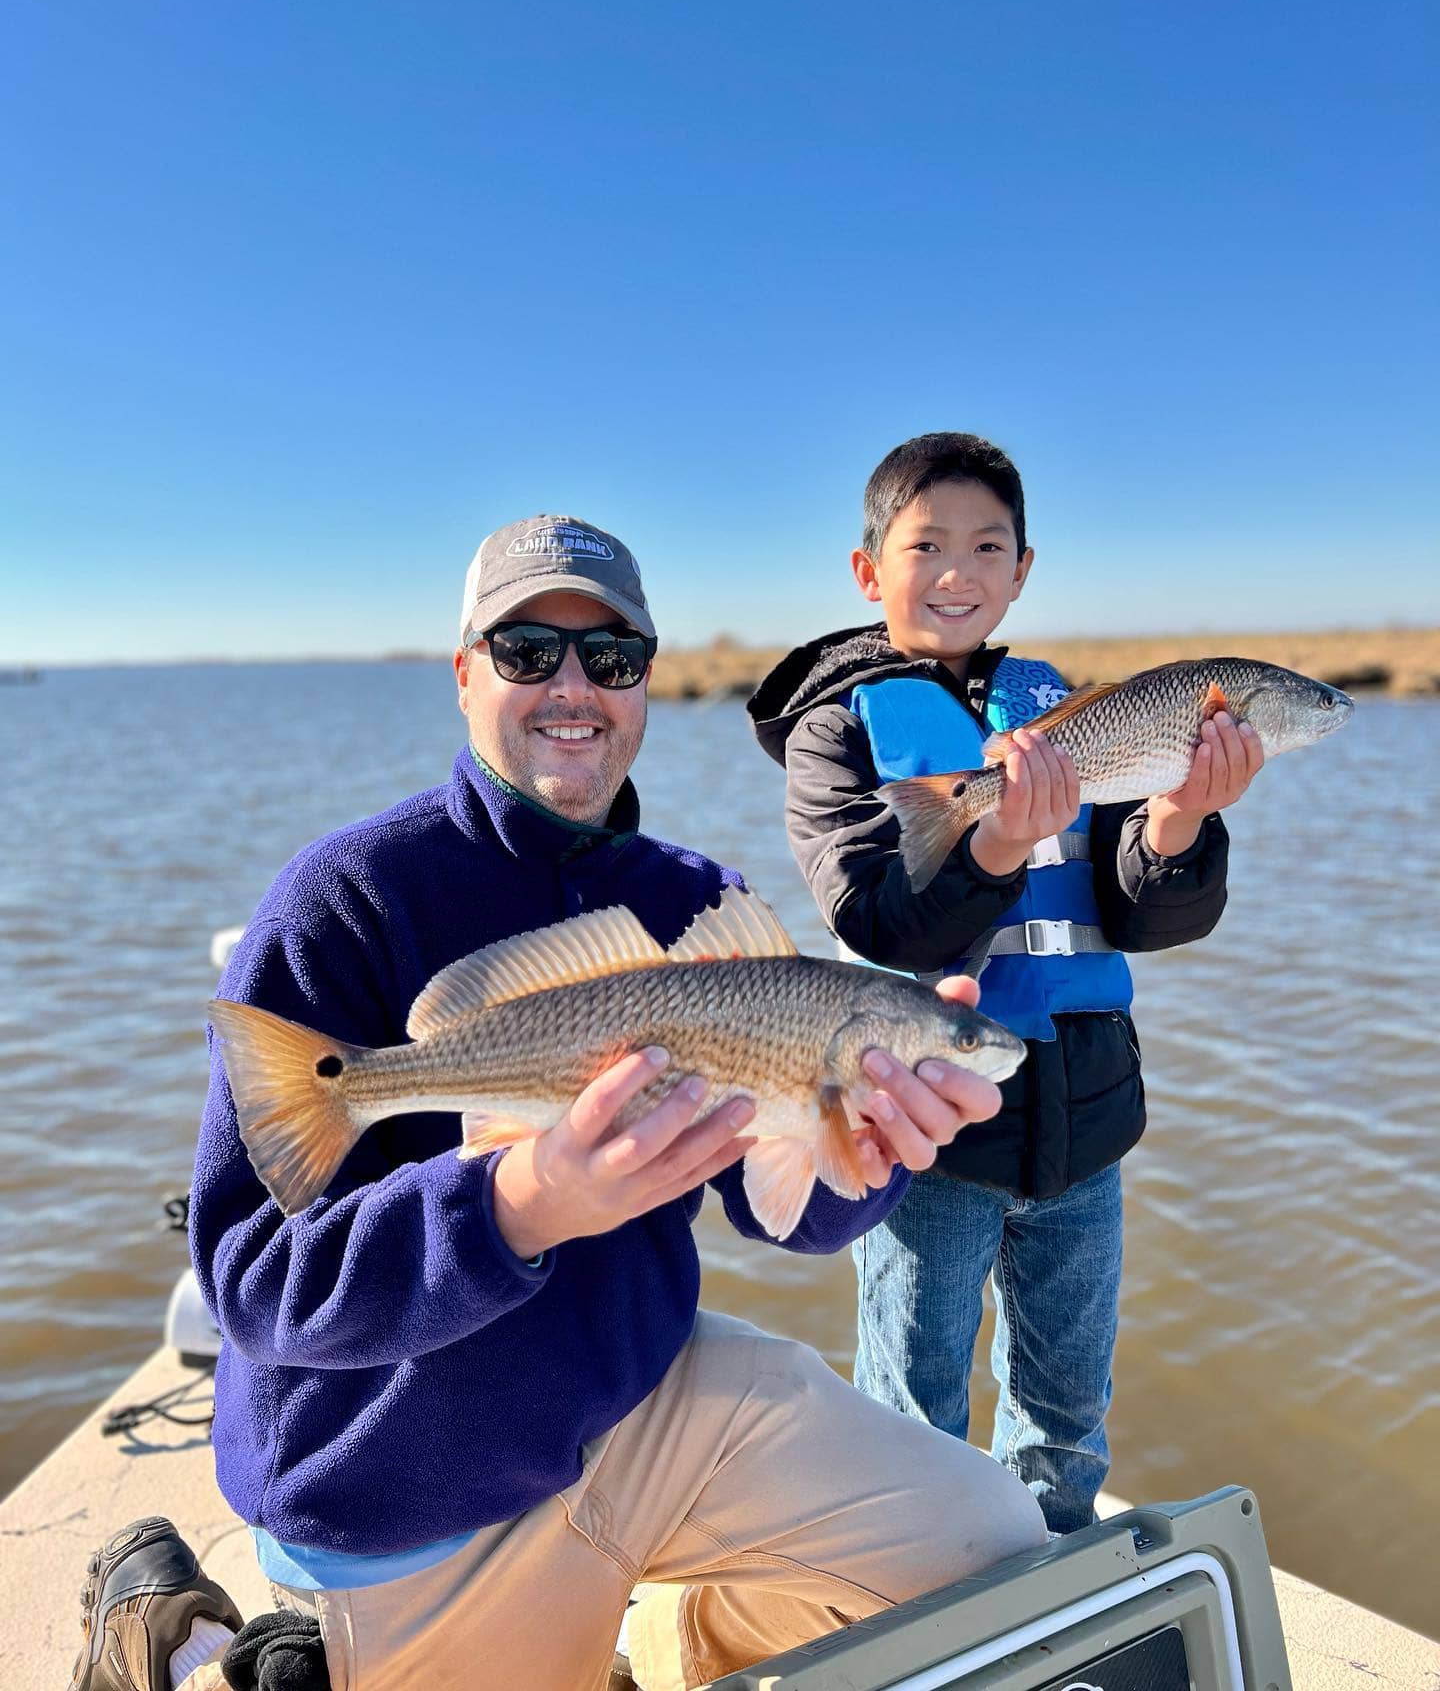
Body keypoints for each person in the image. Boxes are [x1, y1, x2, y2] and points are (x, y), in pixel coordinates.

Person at [70, 513, 1047, 1691]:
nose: (573, 686)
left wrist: (871, 1148)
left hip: (638, 1402)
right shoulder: (342, 898)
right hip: (407, 1480)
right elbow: (255, 1286)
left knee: (991, 1543)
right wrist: (518, 1206)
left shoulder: (697, 899)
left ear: (645, 681)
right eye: (529, 650)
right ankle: (176, 1640)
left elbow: (783, 1212)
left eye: (613, 657)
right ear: (466, 671)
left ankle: (705, 1638)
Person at [747, 434, 1263, 1534]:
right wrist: (987, 849)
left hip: (1086, 1129)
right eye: (925, 544)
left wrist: (1177, 820)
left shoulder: (1072, 709)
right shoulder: (834, 730)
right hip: (923, 1128)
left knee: (1068, 1406)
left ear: (1024, 569)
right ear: (866, 569)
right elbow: (871, 914)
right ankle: (914, 1585)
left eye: (989, 546)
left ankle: (1053, 1573)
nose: (957, 571)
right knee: (913, 1401)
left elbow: (1137, 911)